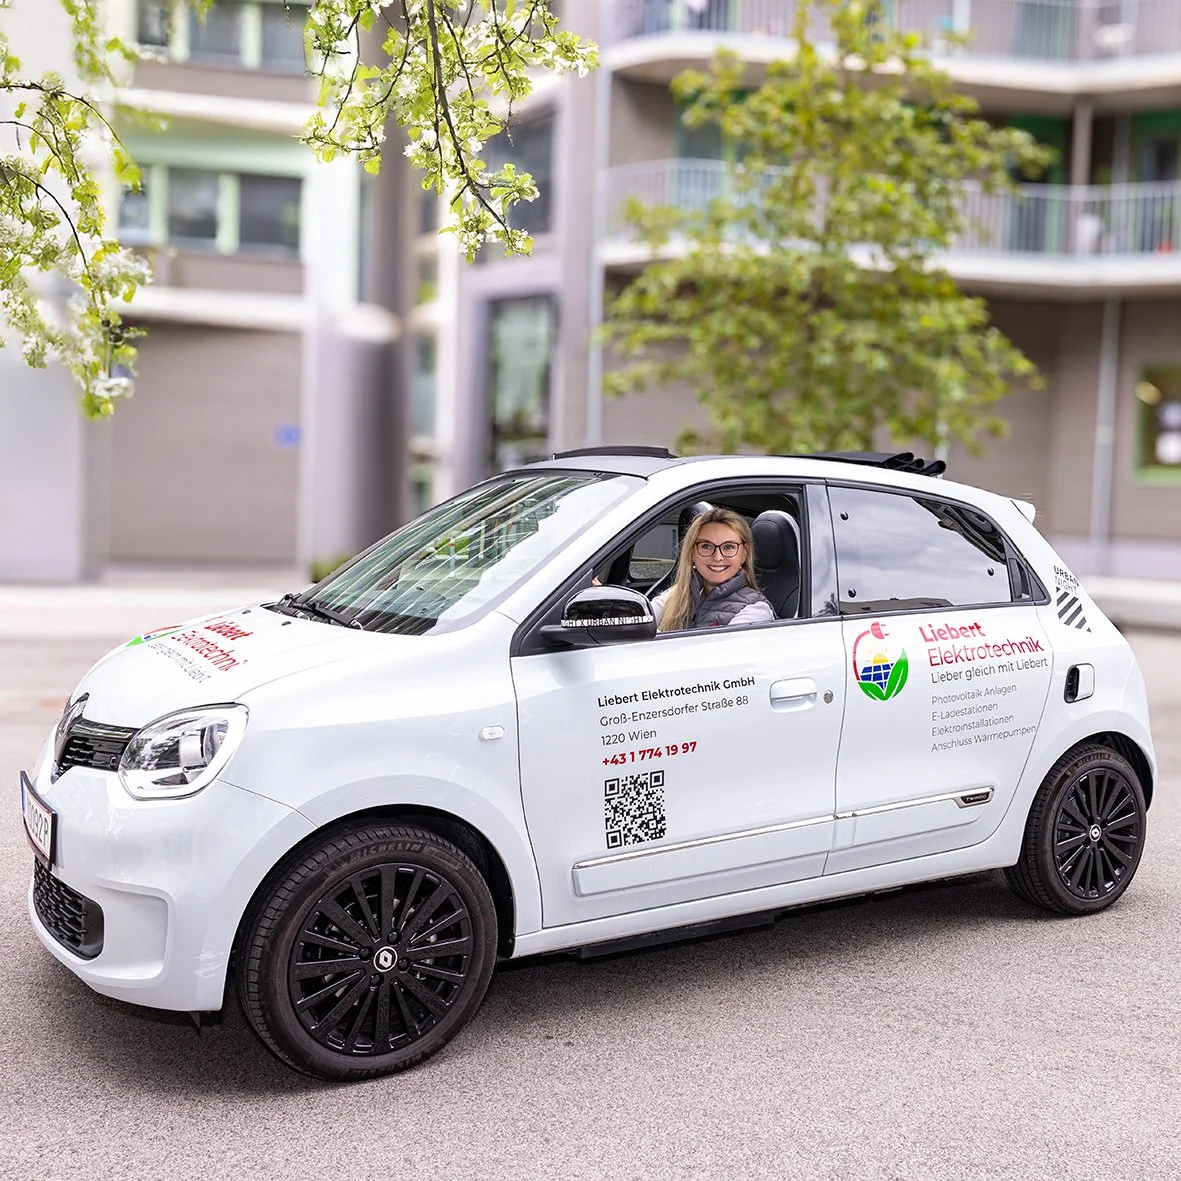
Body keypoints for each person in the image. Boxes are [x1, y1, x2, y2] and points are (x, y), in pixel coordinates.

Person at [652, 507, 775, 631]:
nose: (717, 557)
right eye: (706, 546)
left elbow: (717, 650)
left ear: (744, 554)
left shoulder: (756, 611)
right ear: (692, 553)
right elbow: (640, 618)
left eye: (728, 547)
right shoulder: (677, 594)